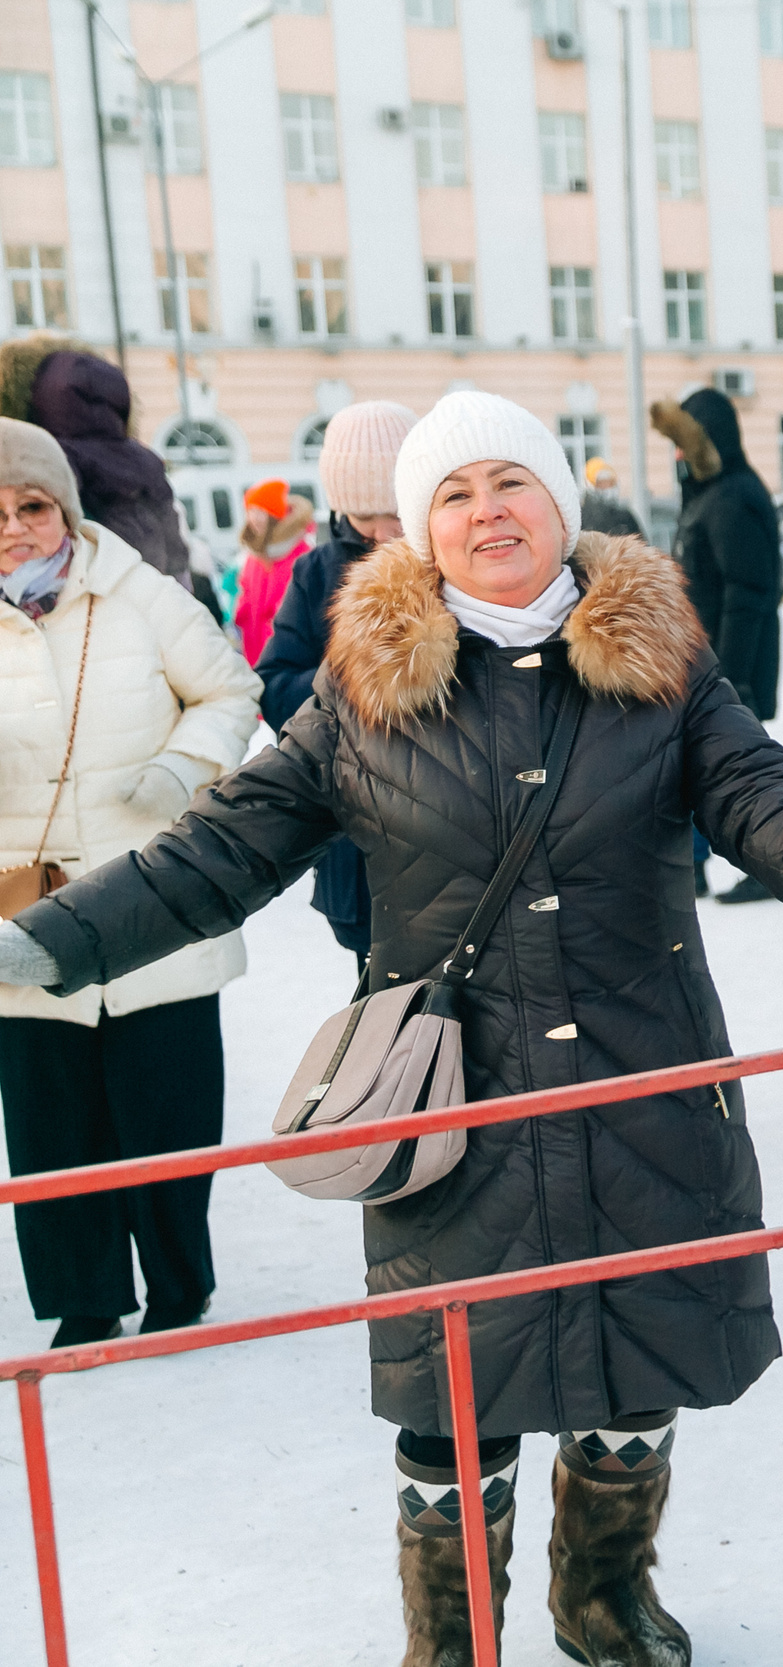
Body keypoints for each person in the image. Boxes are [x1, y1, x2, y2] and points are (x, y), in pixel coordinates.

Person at [0, 390, 783, 1663]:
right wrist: (53, 937)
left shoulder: (664, 668)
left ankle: (605, 1602)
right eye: (454, 494)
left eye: (511, 484)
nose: (487, 512)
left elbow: (753, 785)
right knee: (452, 1396)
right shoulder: (363, 695)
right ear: (417, 532)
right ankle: (453, 1640)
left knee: (639, 1360)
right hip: (453, 1107)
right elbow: (220, 852)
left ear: (560, 502)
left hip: (640, 1079)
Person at [0, 418, 261, 1348]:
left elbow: (231, 690)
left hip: (153, 897)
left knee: (169, 1112)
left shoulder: (140, 592)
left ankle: (179, 1282)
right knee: (50, 1123)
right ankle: (83, 1298)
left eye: (32, 505)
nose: (14, 526)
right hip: (19, 907)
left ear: (63, 509)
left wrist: (182, 768)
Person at [256, 399, 417, 965]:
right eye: (363, 514)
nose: (382, 532)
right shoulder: (317, 572)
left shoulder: (452, 561)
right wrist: (355, 679)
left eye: (396, 511)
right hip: (360, 841)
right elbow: (274, 687)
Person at [654, 390, 783, 906]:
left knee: (739, 768)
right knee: (700, 765)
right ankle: (695, 866)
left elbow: (745, 594)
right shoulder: (710, 496)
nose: (678, 457)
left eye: (686, 446)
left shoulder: (733, 497)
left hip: (727, 664)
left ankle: (768, 861)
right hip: (702, 661)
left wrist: (731, 674)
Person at [0, 336, 192, 584]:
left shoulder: (53, 457)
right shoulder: (144, 459)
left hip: (85, 588)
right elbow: (175, 547)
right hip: (150, 585)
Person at [232, 477, 312, 666]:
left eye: (260, 511)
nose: (253, 518)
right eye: (250, 511)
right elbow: (246, 597)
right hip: (254, 655)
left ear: (275, 515)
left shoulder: (300, 555)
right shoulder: (254, 558)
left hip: (287, 658)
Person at [580, 457, 645, 540]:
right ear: (589, 485)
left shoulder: (625, 517)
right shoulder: (580, 518)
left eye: (610, 483)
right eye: (601, 483)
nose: (607, 487)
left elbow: (642, 546)